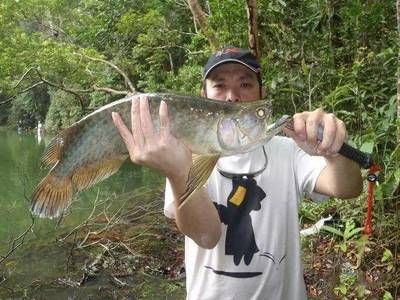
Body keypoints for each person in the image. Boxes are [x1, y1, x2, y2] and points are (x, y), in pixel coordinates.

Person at [112, 46, 363, 299]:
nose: (232, 96)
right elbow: (206, 236)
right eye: (219, 86)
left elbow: (348, 188)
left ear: (261, 94)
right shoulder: (181, 156)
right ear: (203, 95)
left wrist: (333, 151)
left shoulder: (290, 151)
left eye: (245, 84)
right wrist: (178, 172)